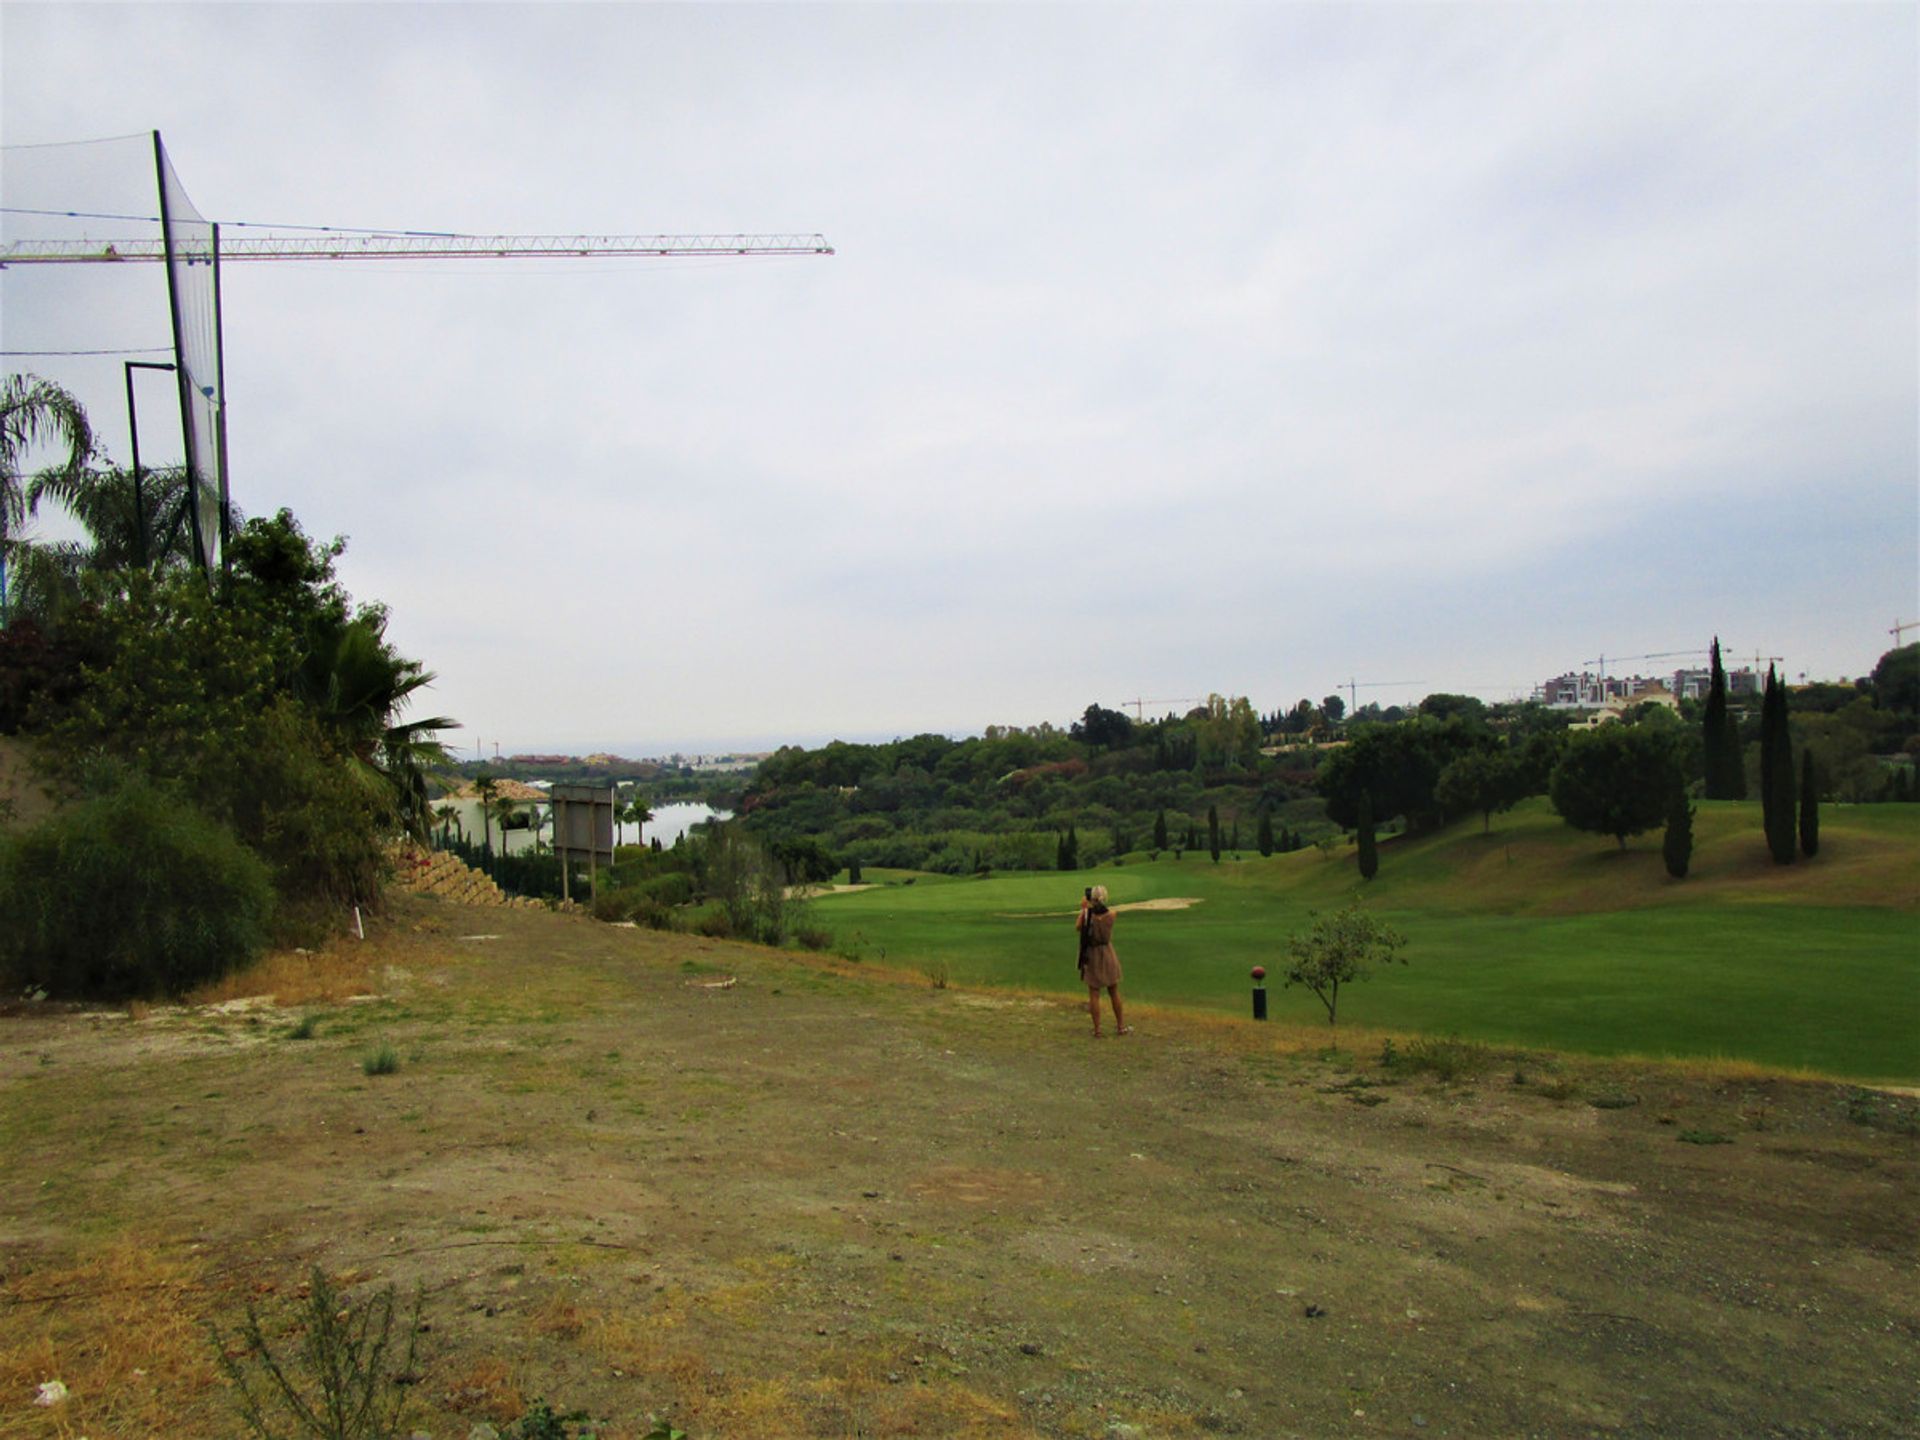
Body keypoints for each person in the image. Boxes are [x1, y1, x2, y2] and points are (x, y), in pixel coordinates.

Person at [1076, 884, 1129, 1038]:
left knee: (1094, 993)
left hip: (1092, 954)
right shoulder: (1111, 915)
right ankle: (1120, 1026)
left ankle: (1097, 1029)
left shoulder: (1088, 916)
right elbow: (1106, 913)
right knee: (1113, 991)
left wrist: (1084, 909)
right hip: (1107, 952)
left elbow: (1078, 926)